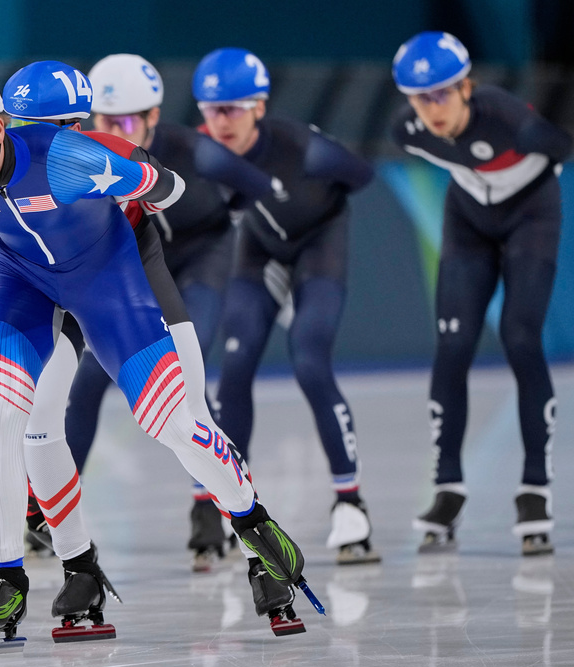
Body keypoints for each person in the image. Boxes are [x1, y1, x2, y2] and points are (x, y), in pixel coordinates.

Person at [0, 69, 307, 646]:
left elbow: (166, 188)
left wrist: (121, 184)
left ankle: (253, 524)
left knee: (175, 420)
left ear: (0, 128)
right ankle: (26, 574)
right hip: (25, 280)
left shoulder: (76, 156)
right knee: (10, 420)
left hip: (112, 276)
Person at [193, 47, 379, 565]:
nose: (220, 122)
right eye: (210, 110)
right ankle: (237, 503)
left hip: (319, 244)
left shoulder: (305, 149)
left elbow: (362, 176)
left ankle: (351, 502)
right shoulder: (207, 152)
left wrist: (326, 192)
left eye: (231, 109)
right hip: (261, 254)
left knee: (310, 361)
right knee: (233, 371)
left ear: (259, 106)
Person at [390, 32, 571, 555]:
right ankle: (447, 488)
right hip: (467, 220)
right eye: (421, 98)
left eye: (443, 94)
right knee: (452, 346)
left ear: (467, 87)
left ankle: (534, 488)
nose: (433, 109)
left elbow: (560, 145)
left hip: (530, 216)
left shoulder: (510, 119)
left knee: (520, 337)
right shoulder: (406, 130)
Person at [68, 53, 246, 571]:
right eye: (104, 122)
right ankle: (51, 514)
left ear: (153, 116)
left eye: (126, 122)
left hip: (200, 259)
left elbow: (260, 185)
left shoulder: (192, 150)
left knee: (191, 383)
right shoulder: (85, 156)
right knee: (87, 384)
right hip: (139, 264)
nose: (115, 131)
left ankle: (210, 510)